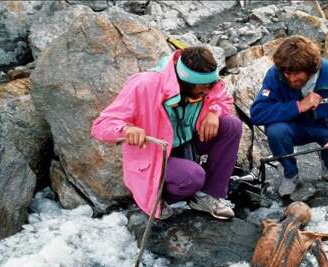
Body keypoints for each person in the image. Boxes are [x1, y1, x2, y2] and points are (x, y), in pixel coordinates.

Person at [91, 46, 241, 220]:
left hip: (189, 144)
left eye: (210, 85)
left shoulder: (209, 85)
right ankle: (164, 199)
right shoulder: (144, 85)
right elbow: (101, 125)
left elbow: (221, 96)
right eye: (202, 87)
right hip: (155, 155)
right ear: (185, 82)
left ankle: (208, 195)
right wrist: (126, 129)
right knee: (193, 176)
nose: (208, 91)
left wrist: (214, 112)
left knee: (231, 125)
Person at [250, 35, 328, 197]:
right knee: (275, 130)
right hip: (295, 128)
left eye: (296, 73)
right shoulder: (275, 75)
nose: (290, 78)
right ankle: (291, 174)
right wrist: (298, 106)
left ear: (311, 69)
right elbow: (257, 113)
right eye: (286, 73)